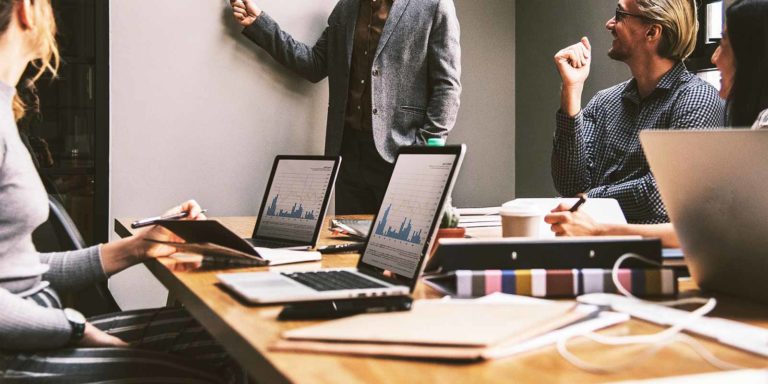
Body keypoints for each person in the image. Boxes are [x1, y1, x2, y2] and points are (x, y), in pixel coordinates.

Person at [0, 1, 245, 382]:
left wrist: (138, 246)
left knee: (234, 337)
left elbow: (17, 273)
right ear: (27, 10)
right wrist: (77, 329)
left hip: (38, 333)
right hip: (19, 355)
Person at [545, 0, 768, 248]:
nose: (609, 24)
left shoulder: (697, 99)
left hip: (654, 257)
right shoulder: (604, 101)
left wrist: (587, 200)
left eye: (619, 15)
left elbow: (660, 197)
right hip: (593, 248)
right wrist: (571, 91)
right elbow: (569, 185)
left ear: (652, 31)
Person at [229, 0, 461, 214]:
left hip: (400, 154)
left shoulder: (434, 5)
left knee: (397, 250)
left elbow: (447, 86)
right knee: (347, 249)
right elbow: (314, 64)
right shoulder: (347, 7)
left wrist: (422, 150)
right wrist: (260, 23)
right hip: (347, 155)